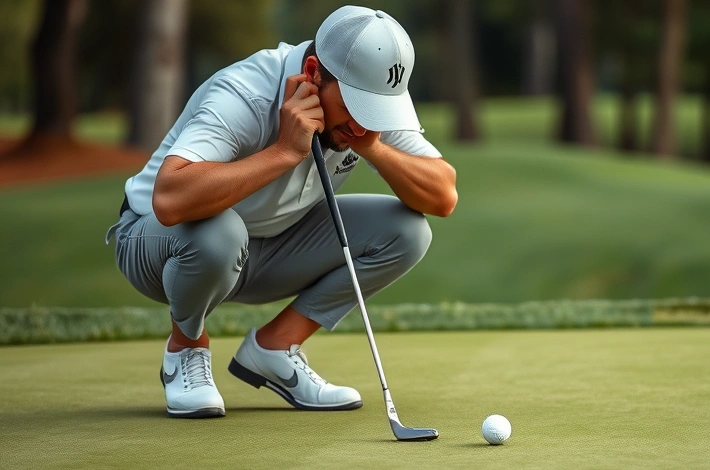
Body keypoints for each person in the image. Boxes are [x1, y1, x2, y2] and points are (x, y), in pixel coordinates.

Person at [105, 6, 457, 418]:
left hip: (269, 247)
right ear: (312, 72)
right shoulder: (245, 91)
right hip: (162, 245)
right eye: (356, 106)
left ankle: (274, 348)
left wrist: (369, 143)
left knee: (408, 231)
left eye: (374, 110)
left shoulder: (371, 100)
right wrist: (284, 152)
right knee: (220, 233)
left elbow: (442, 195)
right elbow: (169, 199)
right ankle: (185, 347)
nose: (365, 120)